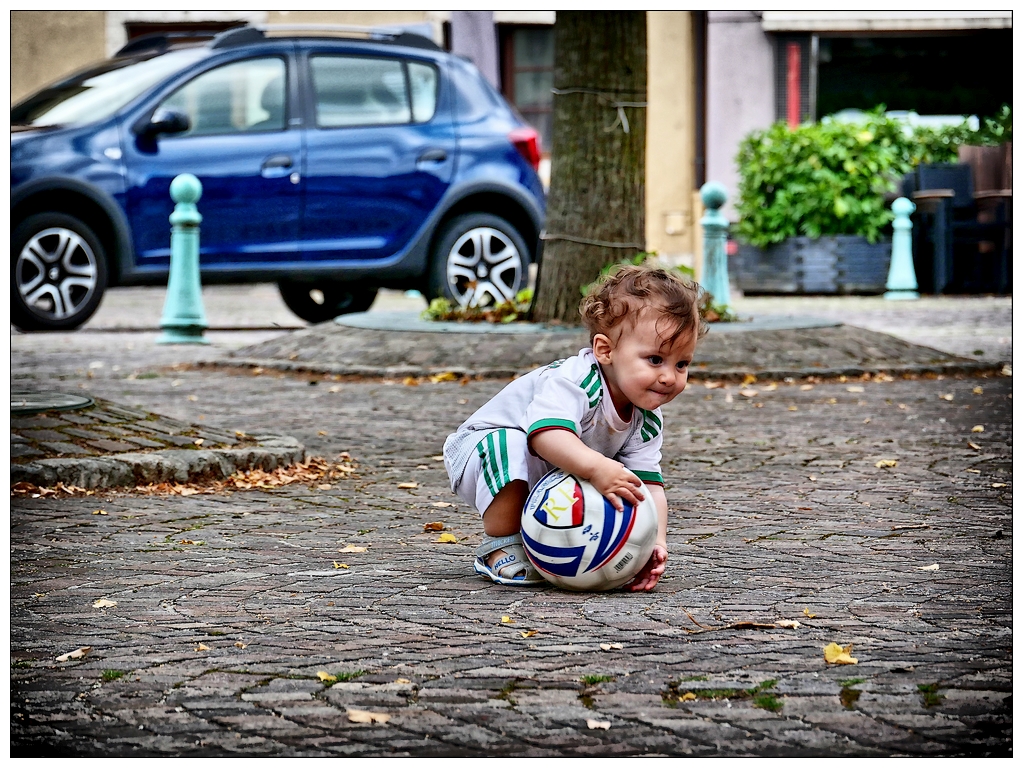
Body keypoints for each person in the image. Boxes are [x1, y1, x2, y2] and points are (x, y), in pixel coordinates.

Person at [443, 265, 706, 591]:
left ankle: (546, 545)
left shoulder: (647, 418)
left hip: (548, 467)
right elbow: (544, 436)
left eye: (682, 364)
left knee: (608, 482)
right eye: (655, 359)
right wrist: (597, 467)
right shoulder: (575, 380)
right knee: (510, 443)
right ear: (605, 350)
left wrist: (653, 543)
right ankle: (501, 544)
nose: (669, 376)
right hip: (481, 449)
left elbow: (647, 487)